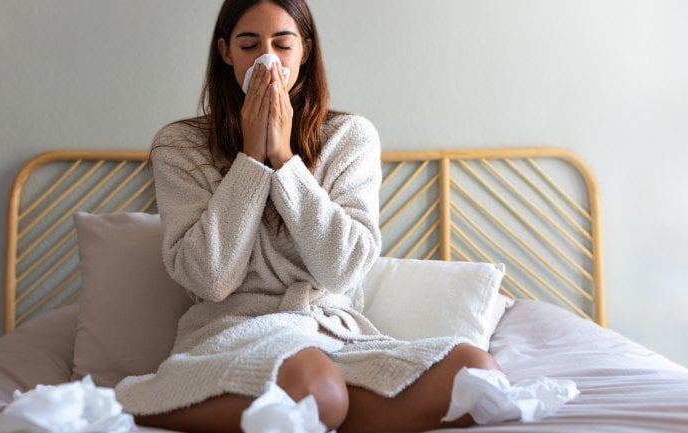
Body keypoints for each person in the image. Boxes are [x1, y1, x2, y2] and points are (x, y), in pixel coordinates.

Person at [115, 1, 501, 432]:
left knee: (476, 375)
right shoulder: (181, 145)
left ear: (305, 51)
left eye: (283, 44)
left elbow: (343, 270)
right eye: (249, 45)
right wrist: (250, 159)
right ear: (226, 52)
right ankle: (149, 400)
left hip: (332, 335)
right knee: (314, 384)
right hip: (235, 337)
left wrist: (284, 160)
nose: (268, 60)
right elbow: (210, 278)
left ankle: (316, 414)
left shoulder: (350, 138)